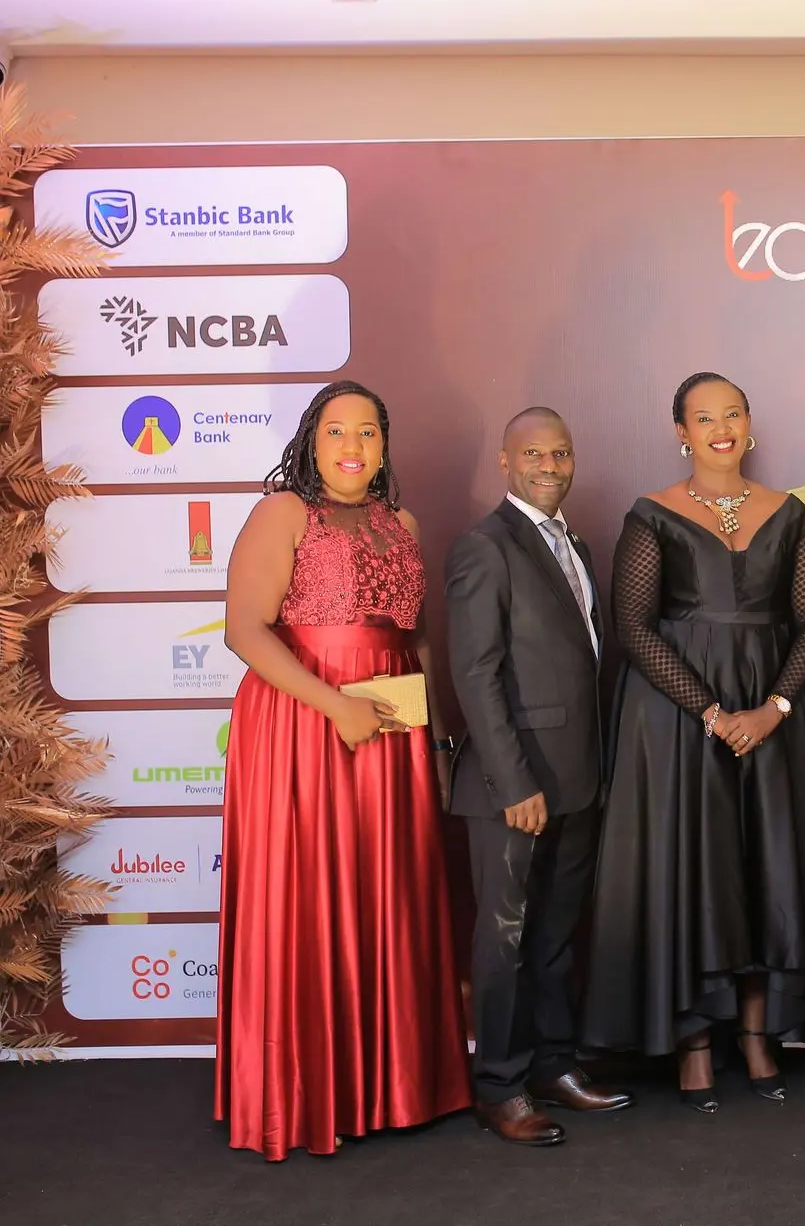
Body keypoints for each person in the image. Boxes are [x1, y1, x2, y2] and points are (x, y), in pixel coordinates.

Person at [581, 372, 805, 1112]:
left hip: (774, 717)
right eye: (704, 418)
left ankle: (757, 1034)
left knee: (769, 869)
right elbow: (633, 626)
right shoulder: (651, 515)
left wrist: (774, 707)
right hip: (676, 723)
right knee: (695, 871)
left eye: (732, 414)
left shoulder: (790, 513)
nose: (721, 429)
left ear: (749, 423)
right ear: (682, 432)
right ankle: (695, 1043)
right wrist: (710, 711)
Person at [215, 381, 468, 1161]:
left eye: (368, 431)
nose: (352, 445)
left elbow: (415, 641)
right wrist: (333, 706)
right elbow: (243, 631)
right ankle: (307, 1092)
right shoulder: (284, 513)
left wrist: (436, 740)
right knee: (309, 893)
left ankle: (392, 1086)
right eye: (336, 431)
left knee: (388, 890)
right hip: (302, 725)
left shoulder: (404, 524)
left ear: (385, 445)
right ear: (310, 442)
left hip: (392, 730)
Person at [444, 407, 631, 1147]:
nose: (549, 467)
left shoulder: (572, 543)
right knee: (505, 942)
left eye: (561, 453)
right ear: (505, 461)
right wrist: (514, 782)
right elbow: (476, 674)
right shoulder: (484, 547)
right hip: (512, 789)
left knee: (555, 935)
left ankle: (554, 1067)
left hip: (577, 779)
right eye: (533, 454)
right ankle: (499, 1087)